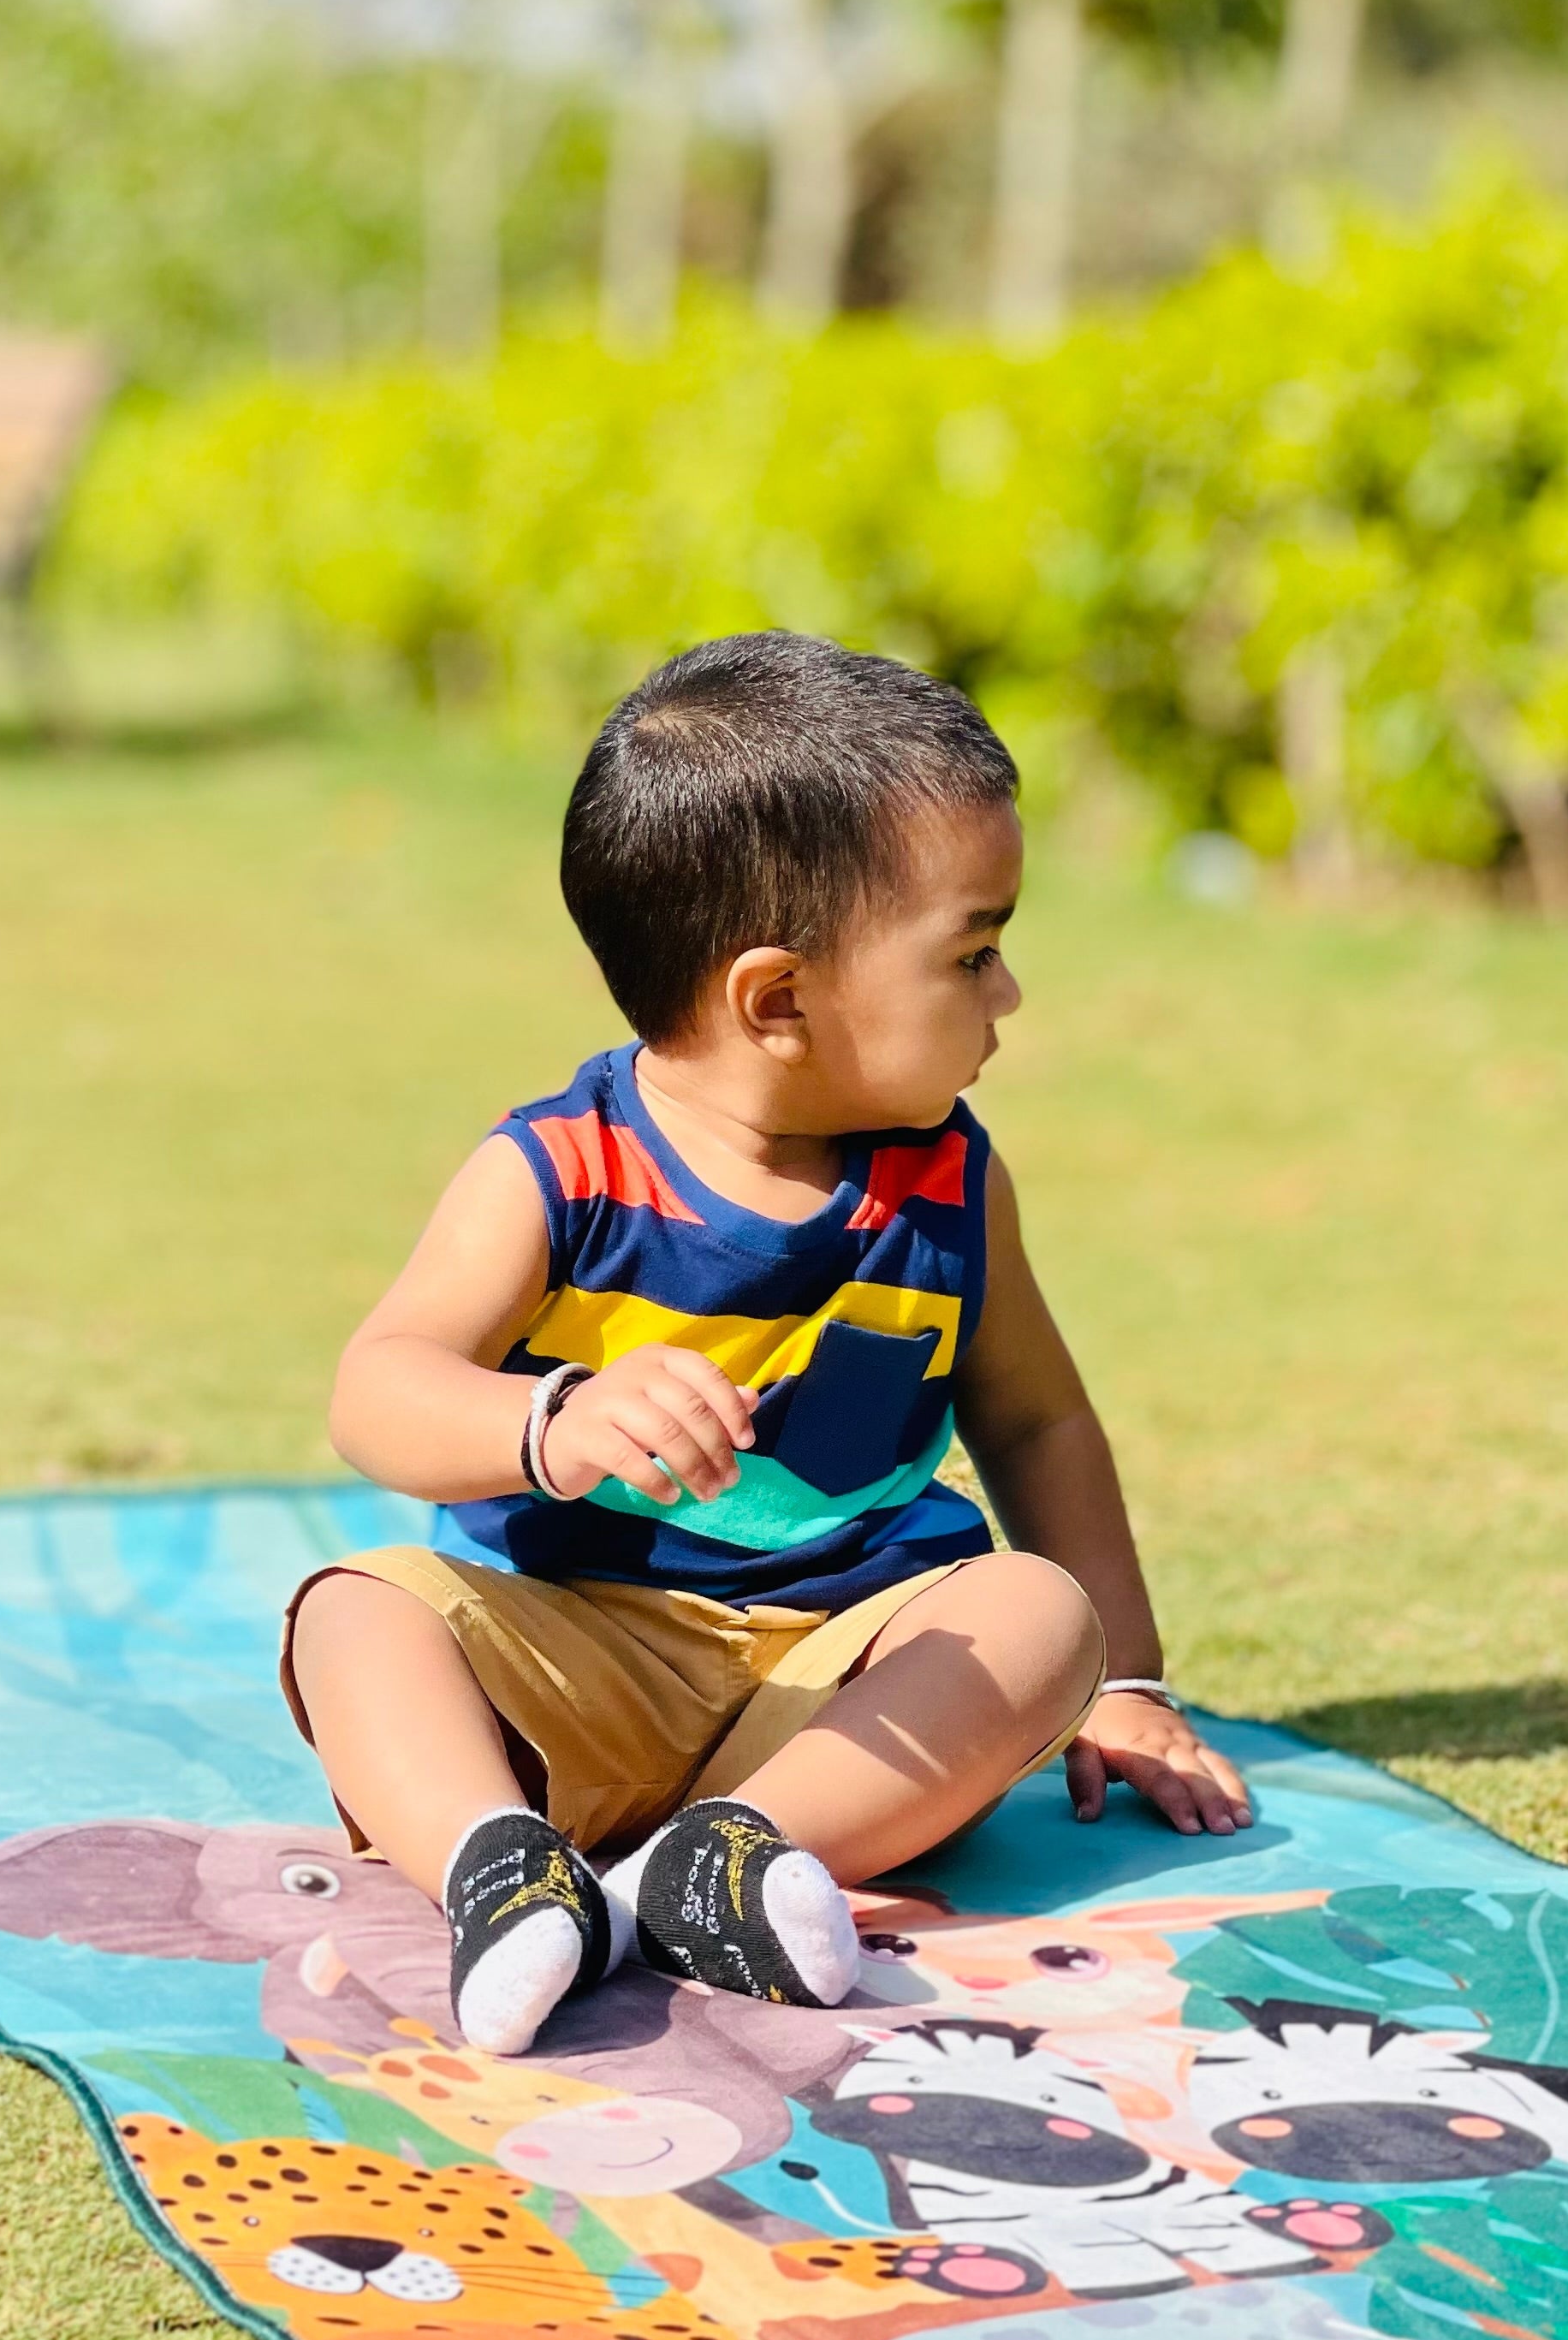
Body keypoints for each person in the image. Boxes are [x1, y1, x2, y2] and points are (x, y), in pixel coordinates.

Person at [283, 633, 1252, 2058]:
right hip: (576, 1657)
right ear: (778, 1001)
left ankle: (718, 1864)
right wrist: (548, 1423)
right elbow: (379, 1389)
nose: (1008, 995)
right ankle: (498, 1868)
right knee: (353, 1611)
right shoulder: (561, 1171)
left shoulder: (948, 1181)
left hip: (841, 1700)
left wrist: (1127, 1686)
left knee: (1038, 1613)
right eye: (973, 952)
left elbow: (1038, 1423)